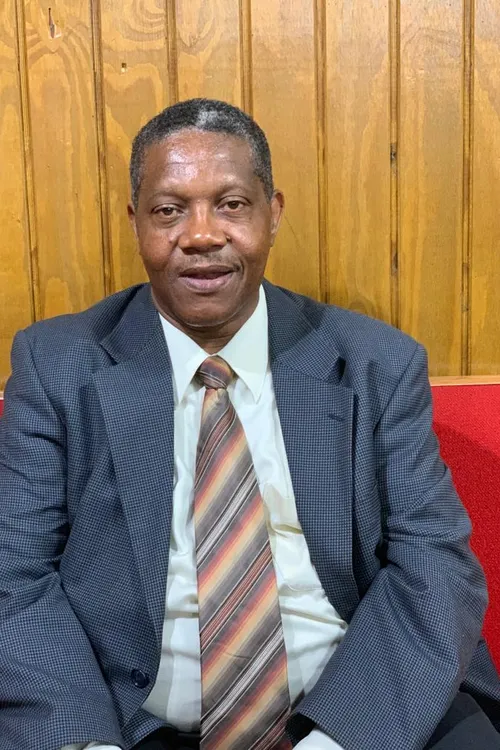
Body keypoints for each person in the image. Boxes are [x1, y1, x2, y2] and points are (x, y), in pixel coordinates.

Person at [0, 98, 499, 750]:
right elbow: (14, 571)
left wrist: (338, 742)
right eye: (168, 210)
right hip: (129, 723)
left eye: (231, 205)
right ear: (135, 222)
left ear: (273, 213)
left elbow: (434, 561)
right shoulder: (58, 365)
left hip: (362, 708)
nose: (201, 234)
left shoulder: (374, 362)